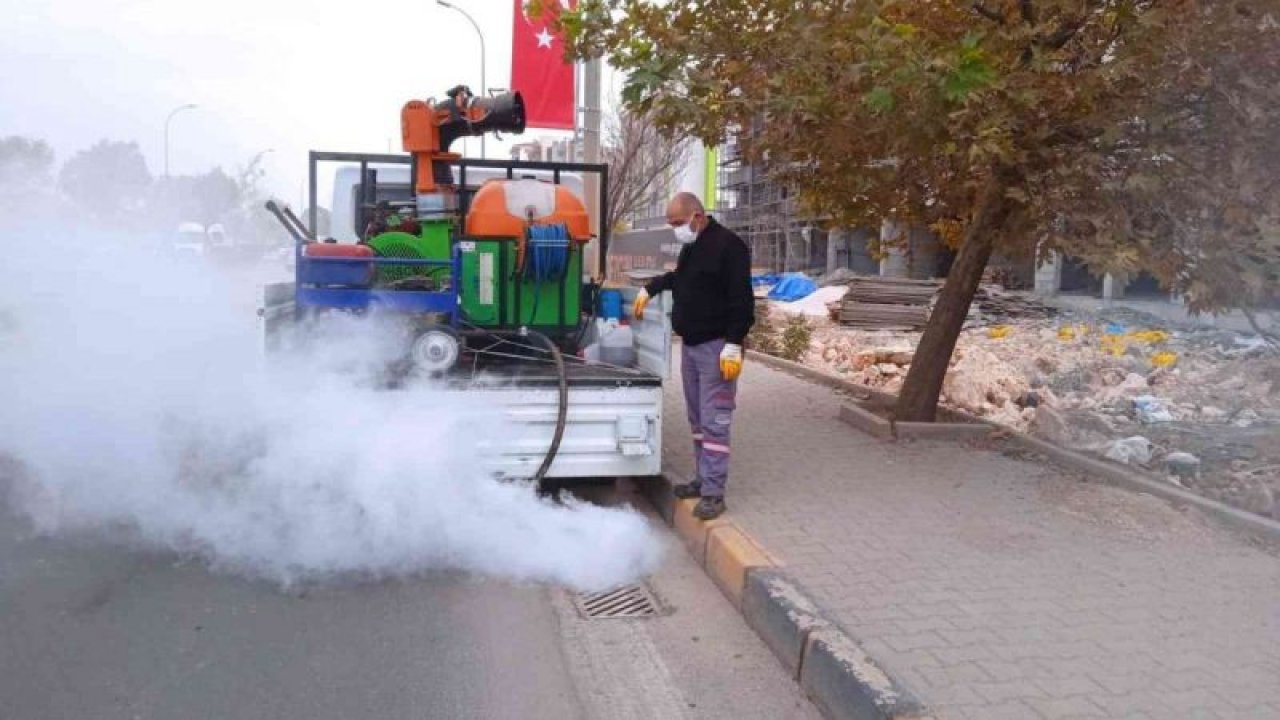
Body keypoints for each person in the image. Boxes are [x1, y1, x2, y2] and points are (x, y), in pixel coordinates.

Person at [633, 192, 754, 520]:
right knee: (698, 419)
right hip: (691, 346)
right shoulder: (693, 246)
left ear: (697, 216)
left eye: (677, 223)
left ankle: (714, 492)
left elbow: (741, 299)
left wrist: (734, 342)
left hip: (717, 348)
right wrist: (652, 287)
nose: (675, 229)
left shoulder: (730, 247)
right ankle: (702, 478)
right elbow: (682, 279)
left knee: (715, 420)